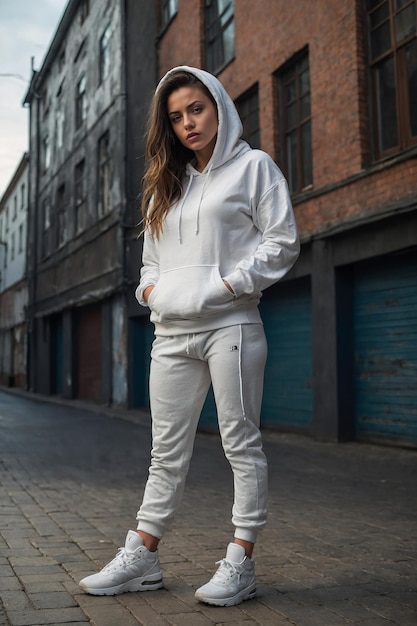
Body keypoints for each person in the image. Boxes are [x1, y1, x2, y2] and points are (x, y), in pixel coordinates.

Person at [79, 65, 299, 606]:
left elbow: (282, 242)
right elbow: (149, 266)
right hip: (171, 334)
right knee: (164, 452)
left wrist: (225, 285)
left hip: (231, 326)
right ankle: (143, 555)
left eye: (196, 109)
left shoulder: (254, 168)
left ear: (219, 105)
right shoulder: (165, 185)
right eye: (176, 117)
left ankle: (240, 560)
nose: (187, 124)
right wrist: (155, 296)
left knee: (240, 445)